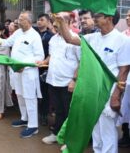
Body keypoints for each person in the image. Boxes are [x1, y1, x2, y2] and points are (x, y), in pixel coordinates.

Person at [56, 10, 130, 153]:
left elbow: (124, 70)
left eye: (98, 16)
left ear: (109, 18)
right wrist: (62, 23)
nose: (94, 19)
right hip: (92, 91)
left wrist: (116, 96)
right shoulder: (92, 38)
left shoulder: (123, 40)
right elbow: (70, 39)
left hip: (109, 91)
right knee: (95, 126)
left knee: (107, 129)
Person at [0, 11, 44, 138]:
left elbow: (40, 56)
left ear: (29, 21)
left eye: (21, 19)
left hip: (28, 72)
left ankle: (33, 126)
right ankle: (24, 118)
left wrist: (25, 64)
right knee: (20, 95)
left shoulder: (35, 36)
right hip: (16, 71)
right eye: (18, 18)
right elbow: (7, 42)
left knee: (30, 98)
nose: (18, 21)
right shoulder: (18, 33)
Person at [38, 13, 79, 145]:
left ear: (68, 23)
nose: (55, 24)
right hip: (53, 80)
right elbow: (51, 55)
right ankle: (56, 134)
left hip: (68, 83)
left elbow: (81, 62)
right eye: (55, 21)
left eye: (59, 21)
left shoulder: (75, 39)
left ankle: (69, 139)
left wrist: (74, 80)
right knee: (58, 110)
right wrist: (43, 61)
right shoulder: (53, 39)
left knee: (69, 112)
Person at [35, 13, 54, 126]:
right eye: (38, 19)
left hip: (44, 68)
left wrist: (44, 62)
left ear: (47, 22)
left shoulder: (50, 36)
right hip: (33, 66)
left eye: (42, 20)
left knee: (44, 93)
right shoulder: (34, 34)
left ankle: (44, 115)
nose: (39, 22)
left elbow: (51, 54)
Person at [118, 9, 130, 148]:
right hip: (124, 78)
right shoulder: (122, 36)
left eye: (129, 16)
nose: (127, 18)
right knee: (124, 107)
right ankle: (125, 135)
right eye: (126, 16)